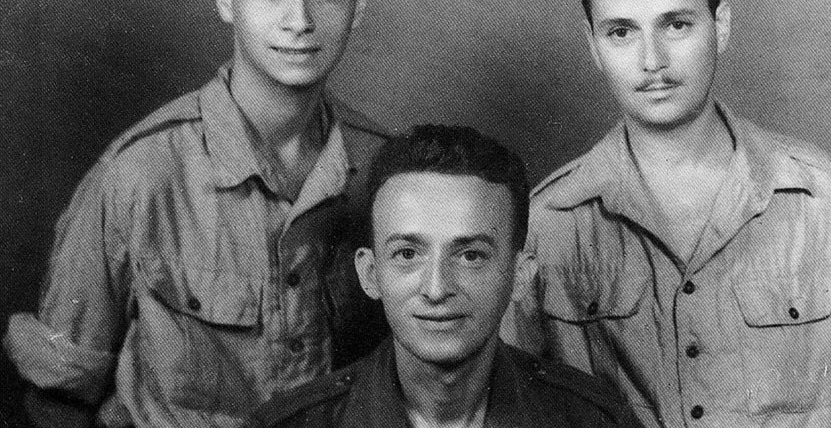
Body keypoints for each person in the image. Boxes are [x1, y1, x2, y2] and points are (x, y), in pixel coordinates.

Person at [4, 0, 389, 427]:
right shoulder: (138, 175)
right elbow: (56, 395)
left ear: (359, 4)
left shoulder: (387, 169)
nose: (299, 21)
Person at [501, 0, 831, 427]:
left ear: (720, 26)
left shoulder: (823, 197)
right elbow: (518, 405)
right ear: (592, 45)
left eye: (677, 24)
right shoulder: (546, 223)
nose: (652, 60)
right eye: (621, 32)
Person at [252, 125, 642, 427]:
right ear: (370, 274)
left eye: (471, 256)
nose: (437, 288)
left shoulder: (592, 420)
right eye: (407, 254)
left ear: (520, 275)